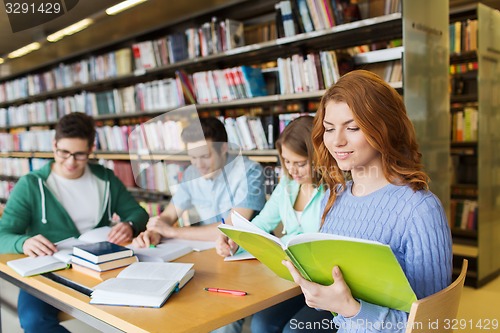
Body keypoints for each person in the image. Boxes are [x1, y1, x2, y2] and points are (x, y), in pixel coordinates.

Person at [282, 70, 453, 332]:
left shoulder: (419, 210)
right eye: (329, 129)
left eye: (352, 128)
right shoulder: (334, 196)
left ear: (384, 128)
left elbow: (433, 324)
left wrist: (352, 309)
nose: (337, 141)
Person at [0, 112, 149, 333]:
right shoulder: (30, 185)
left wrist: (129, 225)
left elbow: (138, 214)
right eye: (64, 153)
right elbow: (3, 234)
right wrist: (23, 243)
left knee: (145, 310)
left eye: (79, 155)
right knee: (34, 320)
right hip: (48, 272)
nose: (70, 162)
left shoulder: (105, 179)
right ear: (54, 145)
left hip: (103, 268)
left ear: (91, 149)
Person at [216, 116, 334, 333]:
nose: (292, 170)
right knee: (261, 324)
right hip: (292, 281)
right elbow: (262, 222)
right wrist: (236, 241)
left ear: (318, 157)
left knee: (293, 330)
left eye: (300, 163)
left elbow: (322, 242)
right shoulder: (288, 184)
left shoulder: (332, 190)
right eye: (287, 162)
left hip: (324, 286)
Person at [133, 116, 266, 246]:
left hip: (249, 252)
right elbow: (169, 215)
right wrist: (155, 231)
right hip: (209, 249)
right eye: (193, 157)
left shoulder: (250, 171)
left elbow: (232, 229)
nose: (199, 164)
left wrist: (172, 231)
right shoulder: (191, 173)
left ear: (223, 148)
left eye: (205, 156)